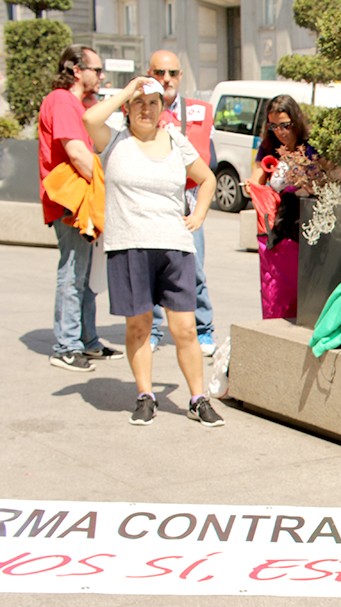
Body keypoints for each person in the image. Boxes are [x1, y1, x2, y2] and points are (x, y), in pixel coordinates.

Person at [81, 76, 222, 427]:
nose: (146, 109)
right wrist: (129, 90)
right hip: (128, 245)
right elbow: (89, 120)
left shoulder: (176, 141)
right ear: (128, 109)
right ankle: (145, 395)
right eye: (139, 103)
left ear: (162, 109)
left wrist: (199, 214)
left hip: (174, 246)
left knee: (185, 328)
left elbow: (207, 179)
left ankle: (197, 398)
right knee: (139, 326)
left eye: (154, 103)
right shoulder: (114, 141)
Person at [39, 44, 124, 372]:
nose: (101, 76)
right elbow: (76, 153)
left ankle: (86, 341)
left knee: (87, 275)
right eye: (97, 70)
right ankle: (66, 345)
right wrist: (113, 185)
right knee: (74, 272)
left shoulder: (75, 103)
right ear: (77, 70)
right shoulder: (61, 100)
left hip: (82, 201)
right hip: (70, 202)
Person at [146, 50, 218, 357]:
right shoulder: (141, 111)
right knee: (149, 268)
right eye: (160, 73)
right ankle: (151, 329)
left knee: (195, 269)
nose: (166, 79)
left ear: (180, 76)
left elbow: (207, 161)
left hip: (187, 200)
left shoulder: (199, 111)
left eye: (172, 73)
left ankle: (203, 330)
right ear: (150, 74)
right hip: (152, 200)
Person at [248, 94, 317, 319]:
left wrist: (304, 180)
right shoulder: (269, 147)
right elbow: (255, 180)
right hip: (277, 230)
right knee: (276, 291)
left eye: (285, 125)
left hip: (306, 226)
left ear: (296, 120)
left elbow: (327, 182)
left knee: (303, 293)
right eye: (274, 126)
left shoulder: (310, 147)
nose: (280, 131)